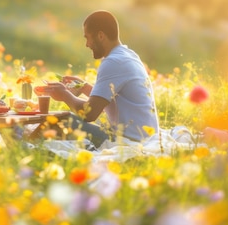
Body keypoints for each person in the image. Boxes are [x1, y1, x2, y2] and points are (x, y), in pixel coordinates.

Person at [37, 10, 159, 148]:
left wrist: (64, 94)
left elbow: (89, 113)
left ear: (100, 36)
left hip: (130, 142)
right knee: (64, 121)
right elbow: (109, 99)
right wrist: (83, 87)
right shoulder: (127, 55)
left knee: (63, 121)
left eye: (87, 38)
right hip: (145, 137)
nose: (87, 44)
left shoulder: (113, 62)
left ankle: (26, 143)